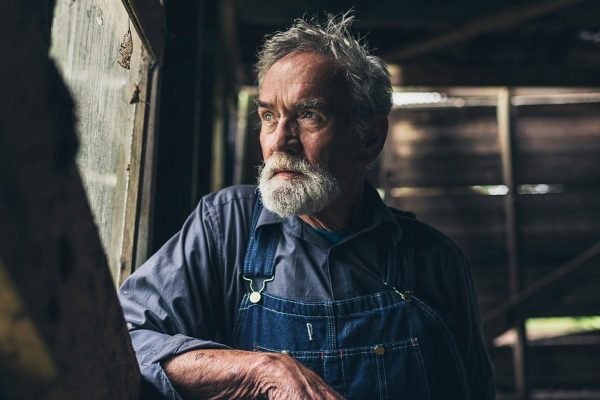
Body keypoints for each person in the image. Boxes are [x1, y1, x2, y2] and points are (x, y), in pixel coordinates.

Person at [119, 13, 495, 400]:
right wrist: (261, 371)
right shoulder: (226, 226)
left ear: (369, 138)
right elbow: (126, 338)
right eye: (269, 116)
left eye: (309, 115)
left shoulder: (436, 261)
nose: (280, 141)